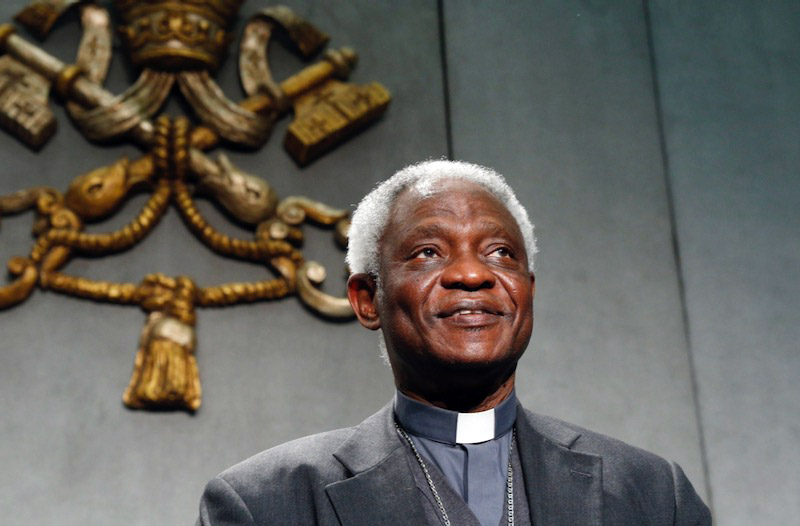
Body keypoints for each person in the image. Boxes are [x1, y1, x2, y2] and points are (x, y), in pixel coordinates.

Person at [196, 160, 711, 525]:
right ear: (367, 300)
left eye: (500, 252)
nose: (471, 273)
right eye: (428, 252)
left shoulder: (650, 493)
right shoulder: (266, 503)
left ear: (528, 292)